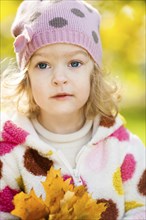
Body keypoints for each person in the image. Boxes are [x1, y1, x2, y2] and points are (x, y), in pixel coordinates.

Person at [0, 0, 145, 219]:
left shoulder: (123, 147)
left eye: (74, 63)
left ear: (93, 74)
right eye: (42, 65)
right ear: (26, 77)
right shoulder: (10, 152)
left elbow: (141, 207)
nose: (59, 79)